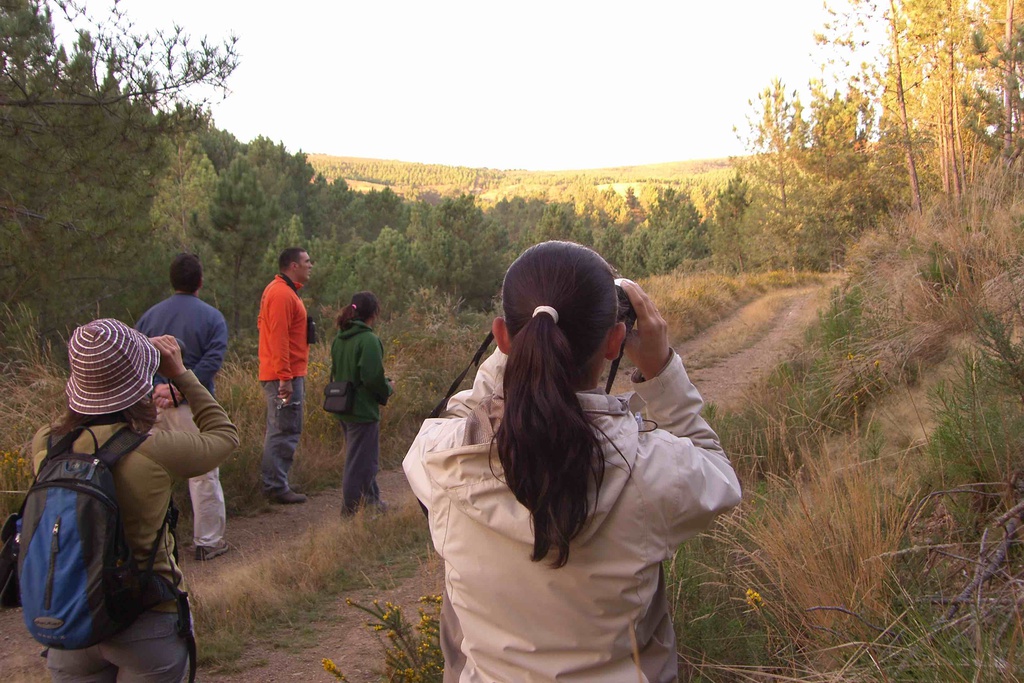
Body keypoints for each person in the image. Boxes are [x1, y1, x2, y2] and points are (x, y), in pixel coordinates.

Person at [403, 241, 742, 682]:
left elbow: (463, 414)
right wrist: (663, 374)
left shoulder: (440, 456)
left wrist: (515, 352)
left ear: (503, 337)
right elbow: (720, 475)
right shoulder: (650, 469)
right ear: (615, 340)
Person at [31, 318, 239, 682]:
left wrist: (100, 372)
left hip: (72, 622)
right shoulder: (153, 450)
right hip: (147, 620)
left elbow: (72, 418)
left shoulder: (47, 445)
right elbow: (224, 436)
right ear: (138, 382)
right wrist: (180, 373)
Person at [136, 253, 231, 562]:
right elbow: (212, 362)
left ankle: (153, 544)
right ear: (200, 282)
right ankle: (208, 541)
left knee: (148, 475)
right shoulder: (212, 317)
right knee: (203, 475)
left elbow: (135, 360)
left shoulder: (149, 317)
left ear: (172, 280)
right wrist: (179, 389)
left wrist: (155, 389)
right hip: (194, 408)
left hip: (153, 406)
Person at [258, 247, 313, 504]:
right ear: (293, 266)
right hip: (284, 374)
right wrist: (285, 377)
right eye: (306, 261)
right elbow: (278, 337)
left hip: (285, 371)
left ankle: (277, 482)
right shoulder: (281, 294)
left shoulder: (281, 291)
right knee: (283, 428)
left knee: (282, 426)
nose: (310, 265)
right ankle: (275, 487)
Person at [330, 291, 394, 514]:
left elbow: (336, 373)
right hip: (362, 409)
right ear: (374, 313)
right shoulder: (368, 340)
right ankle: (350, 512)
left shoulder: (340, 338)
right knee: (359, 463)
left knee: (363, 459)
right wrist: (387, 388)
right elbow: (371, 377)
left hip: (343, 405)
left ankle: (373, 503)